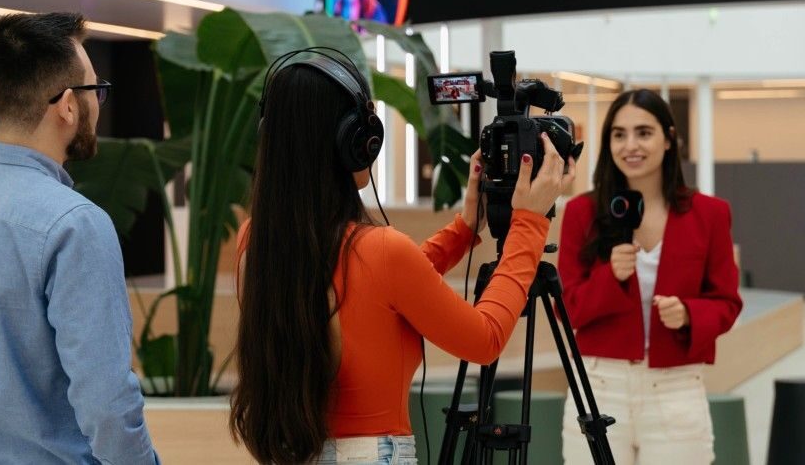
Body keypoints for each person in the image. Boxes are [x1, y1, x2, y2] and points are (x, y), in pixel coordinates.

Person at [229, 55, 576, 465]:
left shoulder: (256, 241)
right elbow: (484, 339)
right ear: (354, 139)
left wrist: (464, 230)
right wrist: (529, 223)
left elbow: (374, 291)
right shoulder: (380, 252)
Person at [0, 13, 159, 464]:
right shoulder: (75, 224)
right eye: (95, 89)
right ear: (68, 105)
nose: (98, 102)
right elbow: (107, 402)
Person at [558, 89, 742, 465]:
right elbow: (566, 309)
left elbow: (727, 302)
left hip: (676, 389)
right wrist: (611, 277)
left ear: (669, 139)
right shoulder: (581, 212)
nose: (631, 145)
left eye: (643, 132)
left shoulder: (710, 214)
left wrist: (689, 313)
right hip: (599, 386)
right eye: (619, 134)